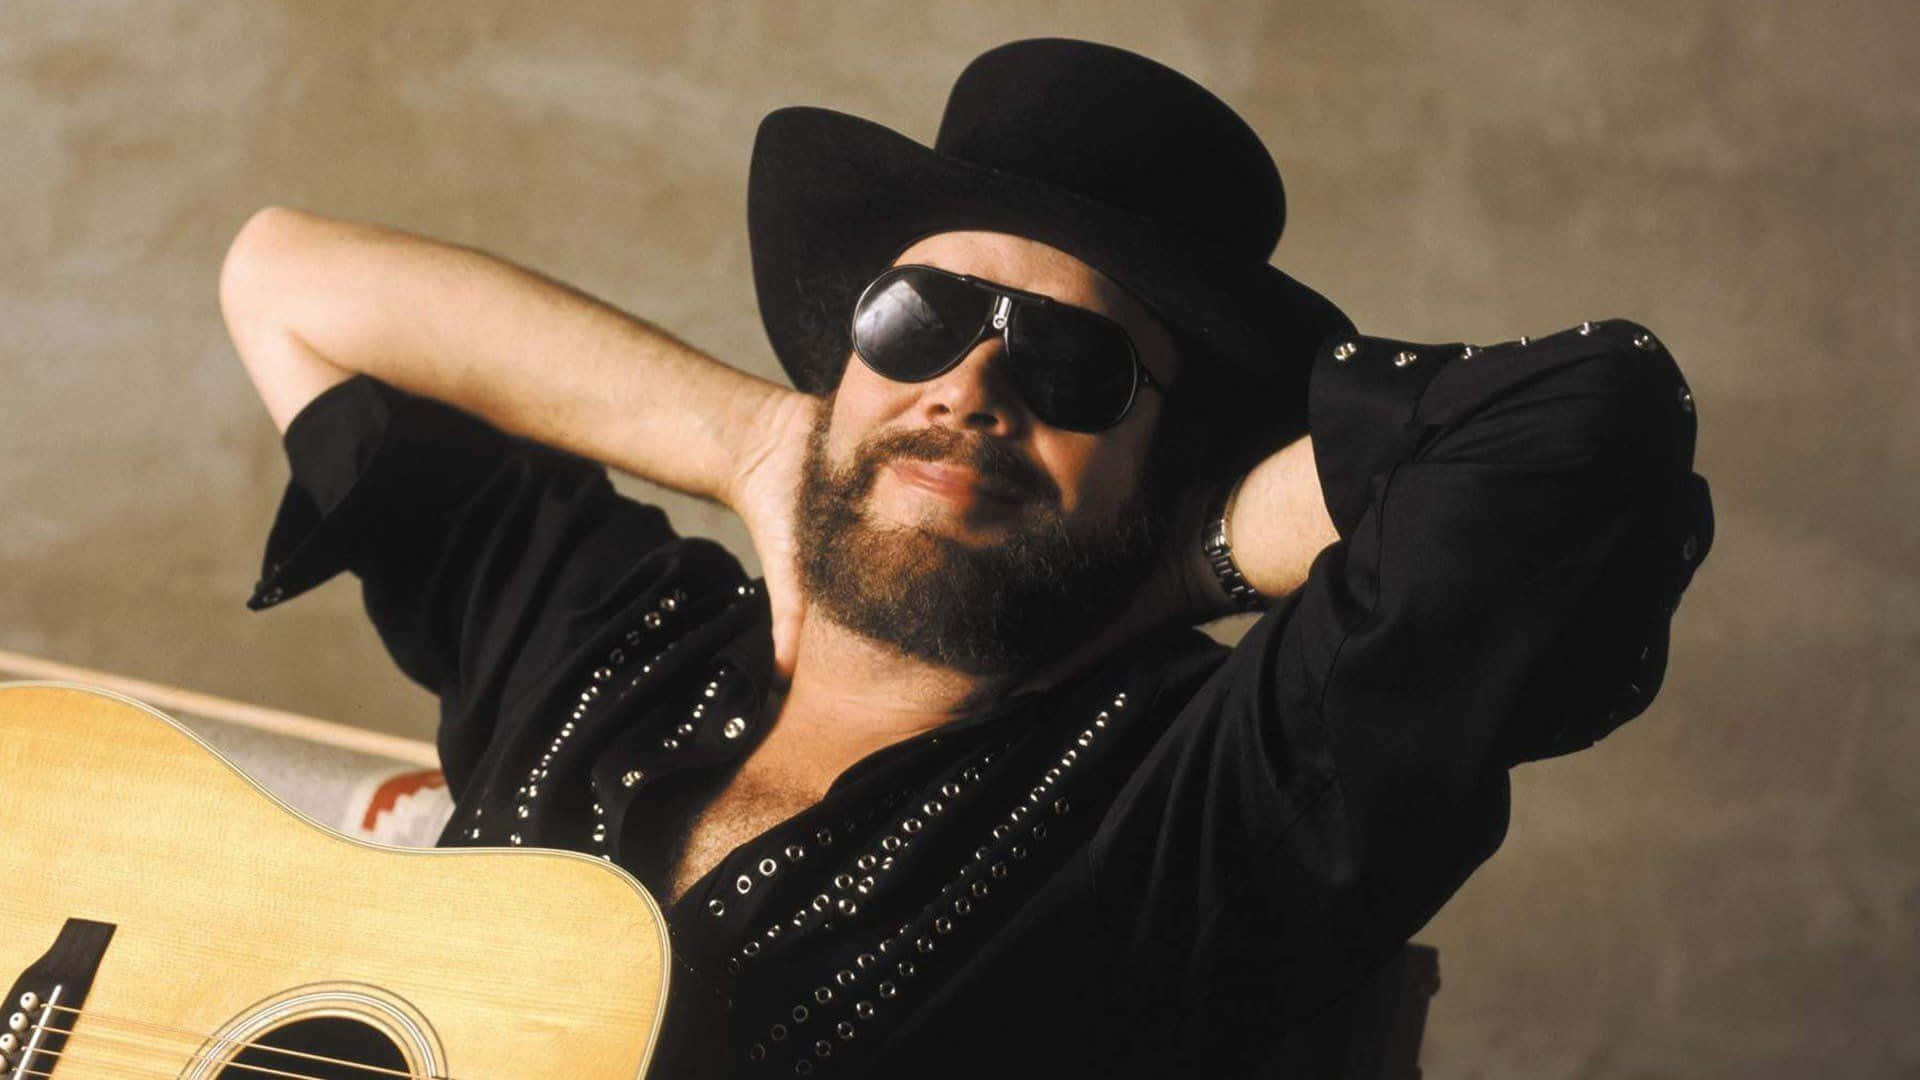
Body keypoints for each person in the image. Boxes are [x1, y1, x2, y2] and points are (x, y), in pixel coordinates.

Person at [219, 37, 1713, 1079]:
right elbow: (287, 279)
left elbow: (1588, 418)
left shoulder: (1210, 802)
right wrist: (754, 441)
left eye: (1070, 366)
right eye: (915, 322)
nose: (969, 388)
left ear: (1166, 453)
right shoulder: (616, 638)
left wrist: (1192, 552)